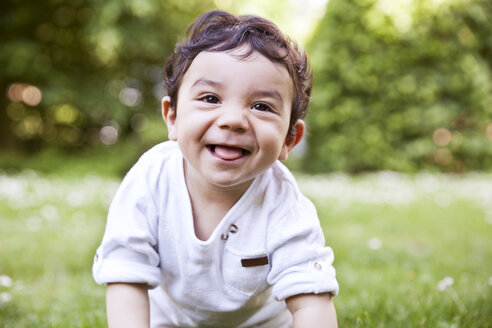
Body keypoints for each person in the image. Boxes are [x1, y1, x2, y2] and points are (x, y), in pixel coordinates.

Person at [93, 9, 339, 328]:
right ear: (173, 118)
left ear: (289, 140)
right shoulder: (150, 180)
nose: (233, 120)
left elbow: (312, 301)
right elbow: (126, 275)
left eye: (261, 106)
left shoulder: (284, 204)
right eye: (210, 98)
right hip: (169, 321)